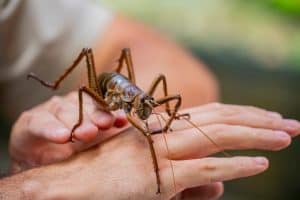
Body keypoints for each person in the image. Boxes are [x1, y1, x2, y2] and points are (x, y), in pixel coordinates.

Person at [1, 0, 300, 199]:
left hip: (126, 87)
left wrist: (161, 126)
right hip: (106, 89)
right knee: (86, 75)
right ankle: (55, 83)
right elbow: (96, 98)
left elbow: (180, 76)